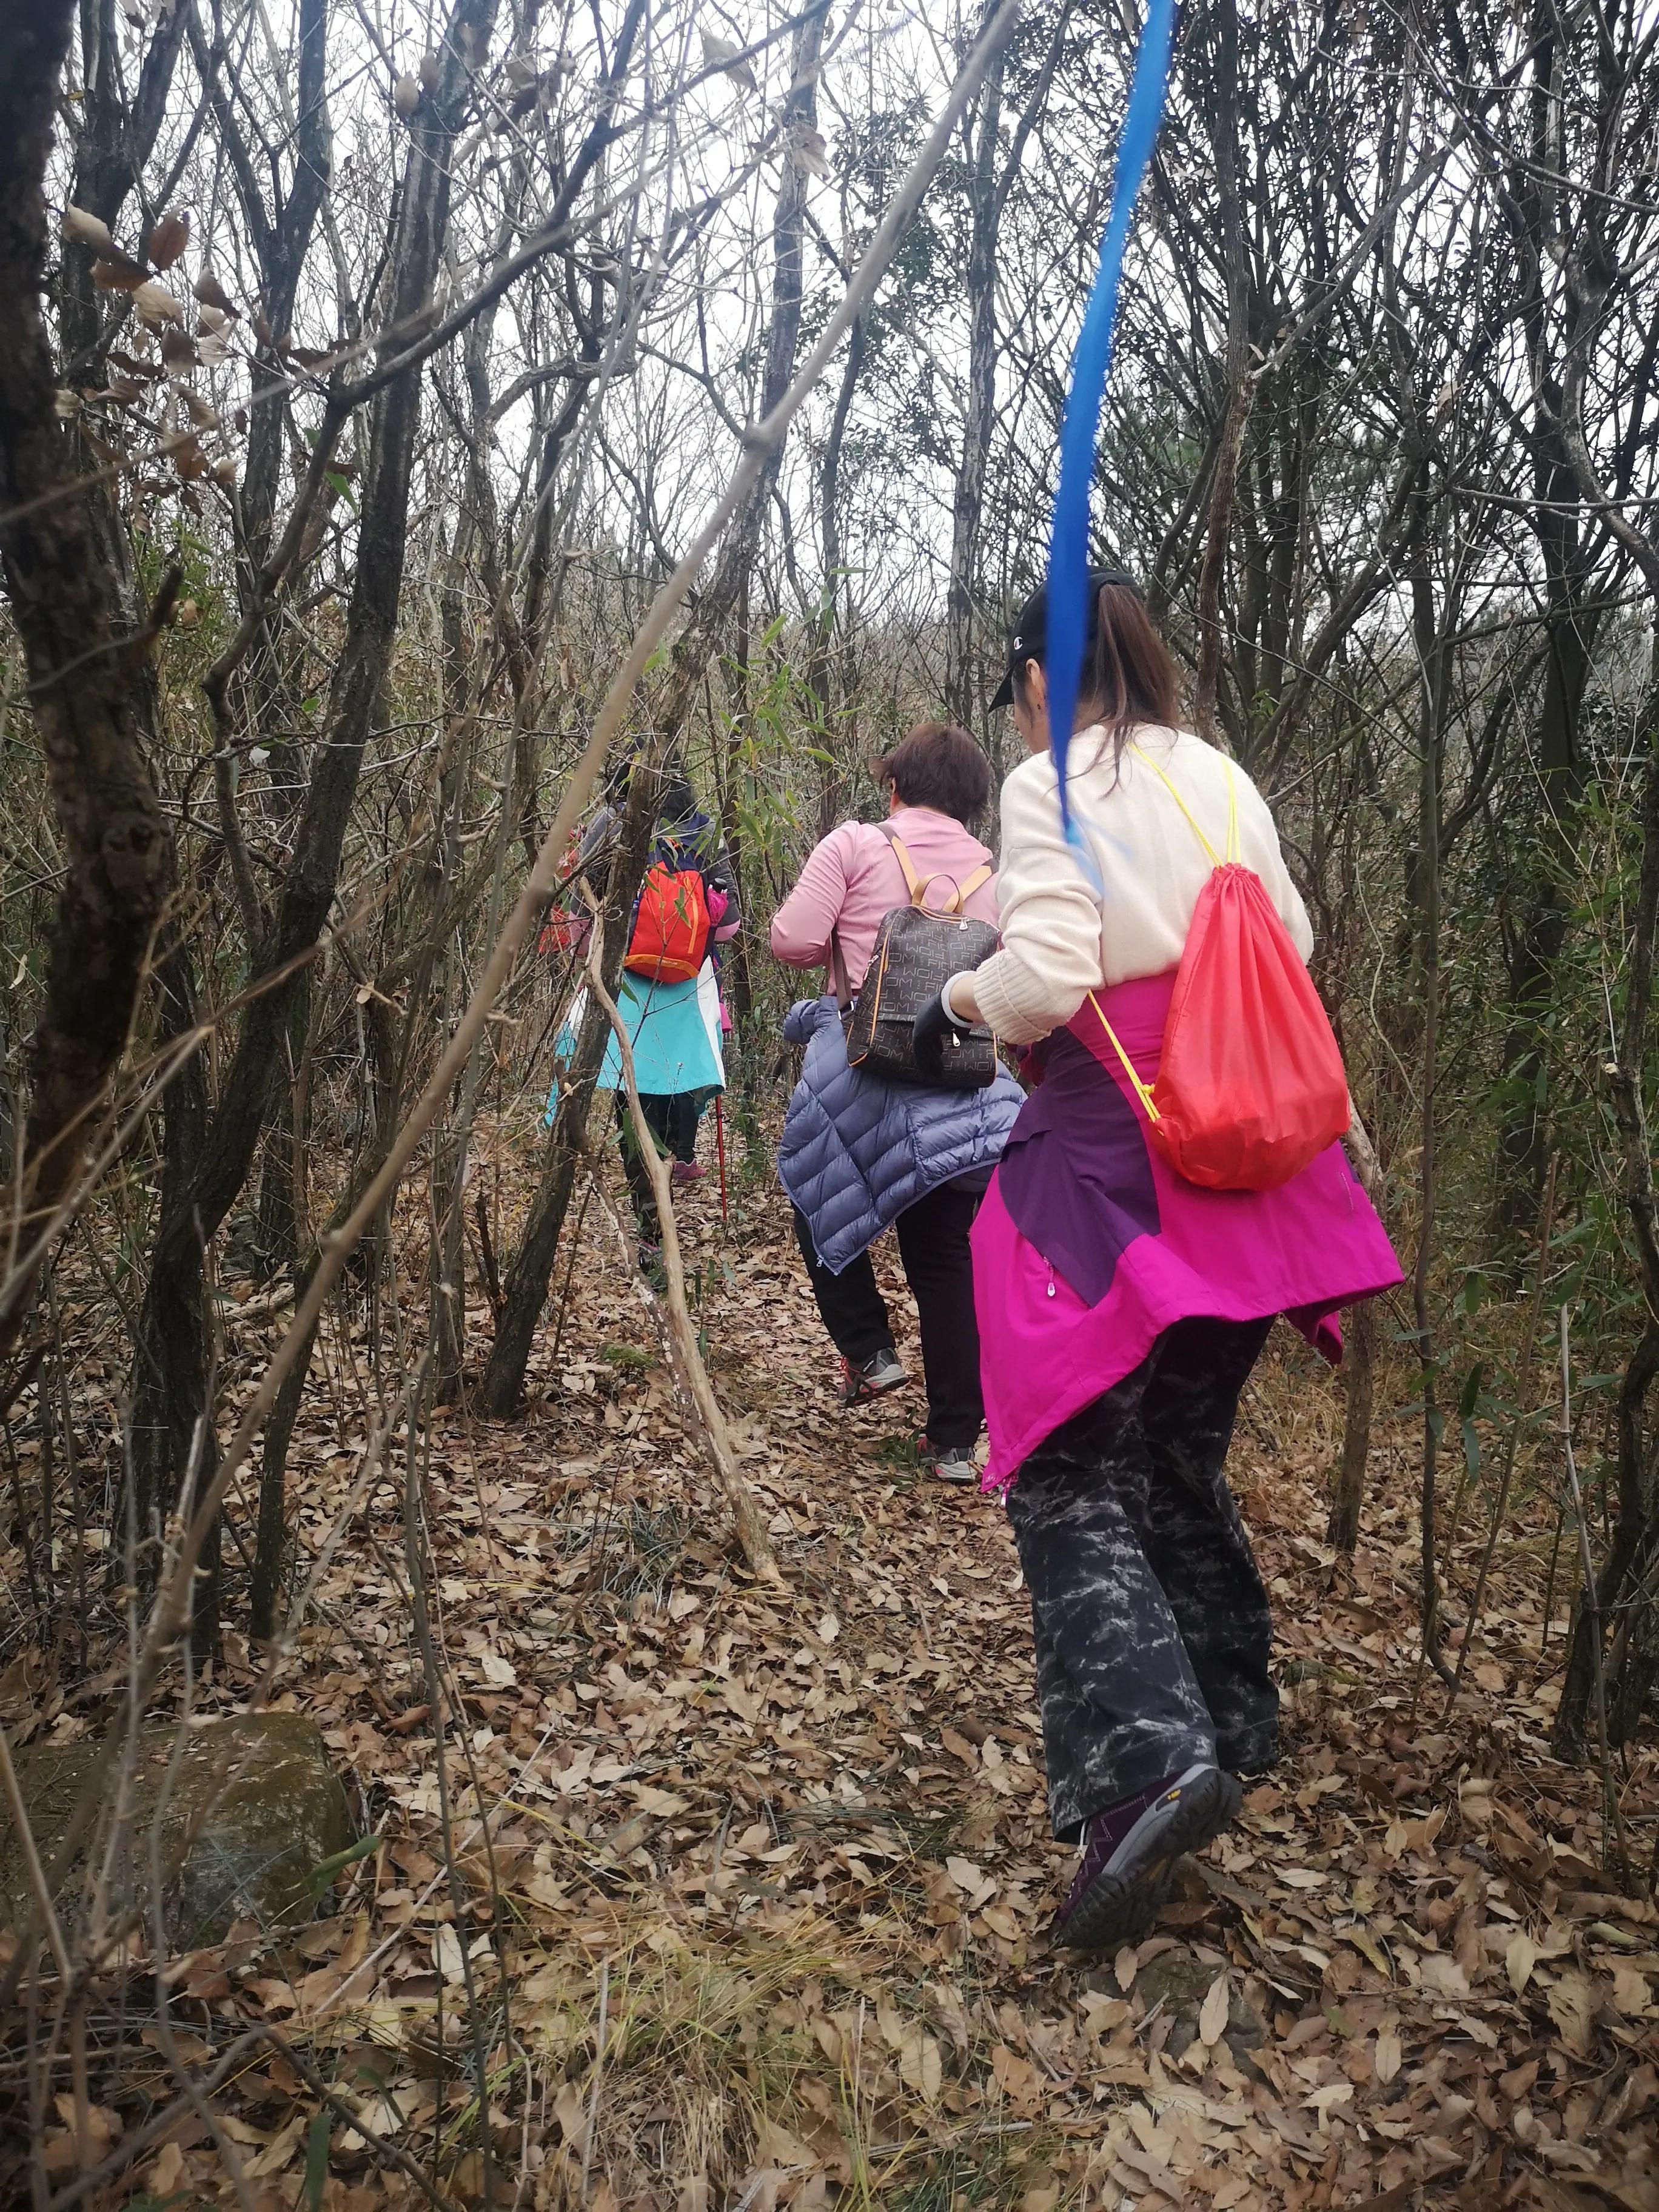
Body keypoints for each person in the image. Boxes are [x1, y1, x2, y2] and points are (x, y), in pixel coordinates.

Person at [915, 572, 1402, 1943]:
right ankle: (1230, 1723)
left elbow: (1045, 980)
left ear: (1035, 681)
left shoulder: (1048, 785)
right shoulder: (1217, 777)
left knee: (1067, 1470)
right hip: (1251, 1163)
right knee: (1179, 1454)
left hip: (1117, 1164)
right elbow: (1289, 943)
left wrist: (957, 991)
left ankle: (1146, 1766)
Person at [771, 722, 1025, 1481]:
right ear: (974, 805)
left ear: (894, 787)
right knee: (946, 1256)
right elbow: (1020, 986)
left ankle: (869, 1352)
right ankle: (954, 1443)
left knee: (817, 1198)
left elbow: (792, 941)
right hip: (962, 1077)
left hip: (866, 1073)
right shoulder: (1000, 876)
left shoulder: (854, 845)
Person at [549, 762, 739, 1265]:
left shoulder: (612, 823)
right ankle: (676, 1160)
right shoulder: (704, 830)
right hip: (689, 986)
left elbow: (579, 911)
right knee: (681, 1082)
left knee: (634, 1098)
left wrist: (594, 956)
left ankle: (651, 1226)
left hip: (625, 983)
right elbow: (730, 926)